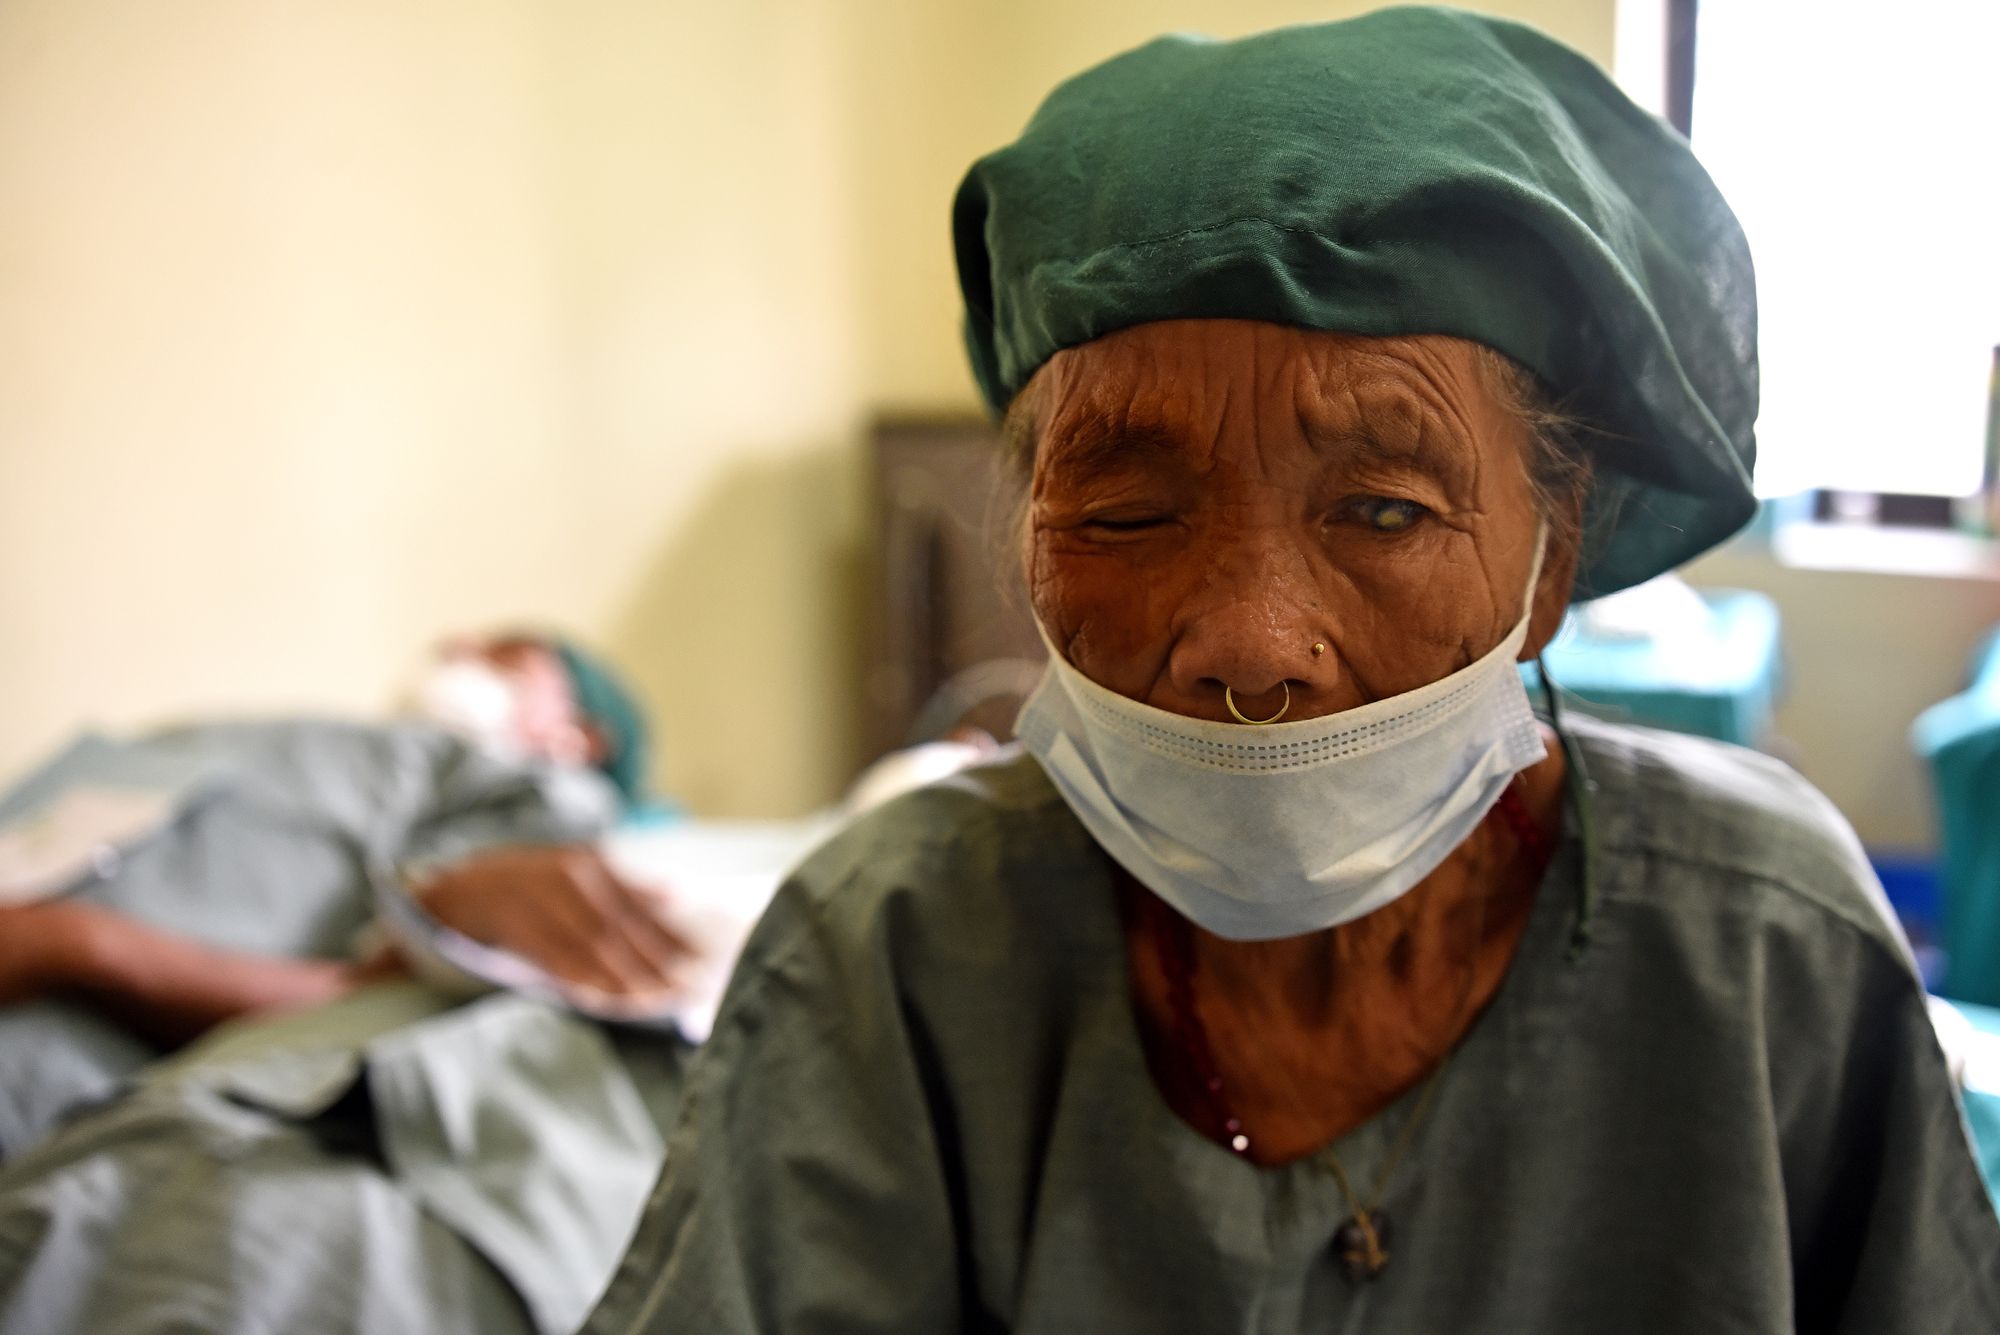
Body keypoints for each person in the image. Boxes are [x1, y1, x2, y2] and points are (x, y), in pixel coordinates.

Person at [585, 10, 2000, 1332]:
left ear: (1552, 558)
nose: (1249, 647)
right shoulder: (892, 945)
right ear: (1027, 543)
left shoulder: (1765, 951)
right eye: (1127, 513)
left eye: (1384, 509)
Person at [0, 629, 679, 1159]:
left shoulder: (528, 793)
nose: (459, 649)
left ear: (579, 737)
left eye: (510, 658)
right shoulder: (277, 737)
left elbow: (379, 1002)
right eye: (467, 643)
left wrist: (70, 943)